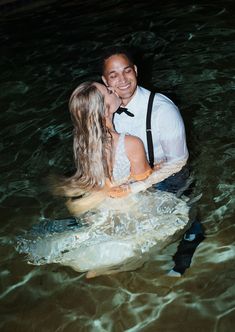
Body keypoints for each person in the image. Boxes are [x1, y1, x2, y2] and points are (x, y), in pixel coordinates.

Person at [16, 82, 191, 278]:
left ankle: (100, 264)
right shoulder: (131, 143)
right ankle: (109, 266)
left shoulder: (83, 144)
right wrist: (154, 167)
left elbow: (105, 179)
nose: (113, 89)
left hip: (101, 209)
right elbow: (144, 181)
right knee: (182, 215)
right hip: (129, 208)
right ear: (106, 109)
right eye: (108, 92)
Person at [101, 48, 204, 276]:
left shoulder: (162, 110)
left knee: (179, 221)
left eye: (127, 71)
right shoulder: (106, 109)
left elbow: (179, 162)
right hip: (133, 174)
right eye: (114, 75)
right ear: (105, 81)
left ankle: (192, 236)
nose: (123, 80)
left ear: (135, 71)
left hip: (167, 175)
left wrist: (138, 186)